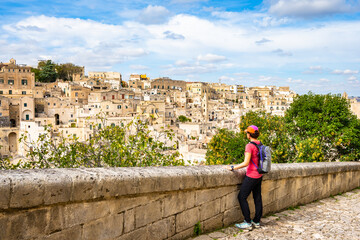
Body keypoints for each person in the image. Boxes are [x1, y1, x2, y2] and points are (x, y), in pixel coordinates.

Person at [224, 125, 263, 230]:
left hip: (252, 175)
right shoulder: (260, 144)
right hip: (259, 174)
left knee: (242, 197)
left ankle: (247, 221)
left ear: (249, 135)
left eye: (247, 133)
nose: (246, 134)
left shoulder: (249, 146)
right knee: (257, 198)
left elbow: (246, 163)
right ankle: (256, 221)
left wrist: (233, 167)